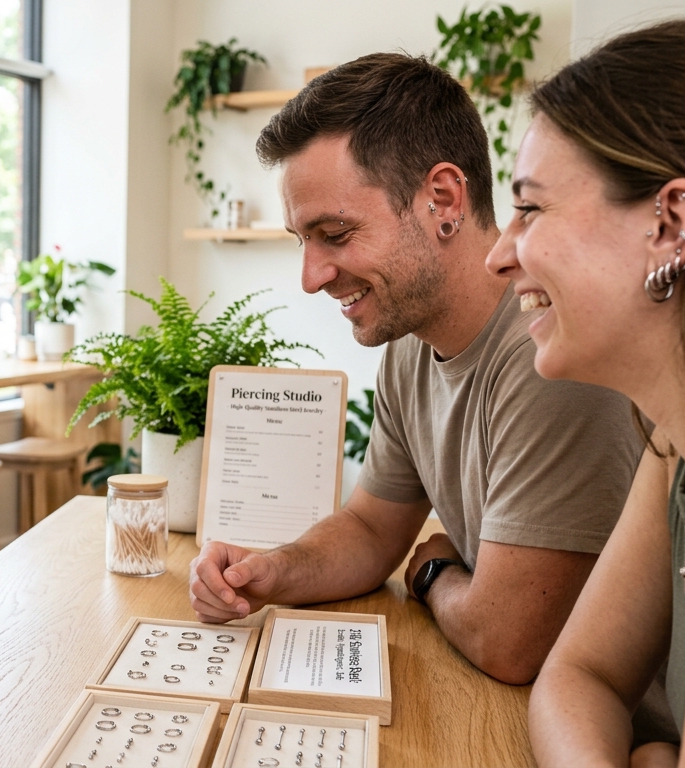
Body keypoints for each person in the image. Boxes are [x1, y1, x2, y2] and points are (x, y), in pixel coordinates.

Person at [188, 53, 644, 686]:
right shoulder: (410, 341)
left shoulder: (550, 352)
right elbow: (373, 528)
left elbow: (510, 641)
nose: (311, 276)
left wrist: (433, 574)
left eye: (336, 234)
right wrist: (272, 572)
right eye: (303, 240)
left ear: (443, 199)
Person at [485, 19, 685, 767]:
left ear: (674, 224)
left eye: (530, 208)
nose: (500, 253)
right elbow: (578, 677)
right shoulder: (677, 441)